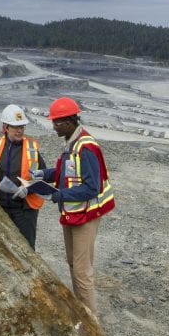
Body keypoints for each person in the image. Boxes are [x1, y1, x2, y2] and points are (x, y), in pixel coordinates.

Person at [31, 97, 115, 315]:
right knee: (73, 263)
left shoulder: (85, 148)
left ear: (69, 121)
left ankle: (91, 320)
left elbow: (91, 188)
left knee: (81, 270)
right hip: (73, 213)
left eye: (57, 122)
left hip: (86, 215)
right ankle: (83, 311)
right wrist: (43, 175)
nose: (53, 126)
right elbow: (65, 173)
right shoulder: (71, 143)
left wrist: (59, 195)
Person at [0, 104, 47, 250]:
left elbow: (44, 177)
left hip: (24, 210)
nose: (20, 130)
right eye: (16, 127)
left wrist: (29, 189)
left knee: (26, 249)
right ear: (6, 127)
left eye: (22, 127)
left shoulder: (31, 149)